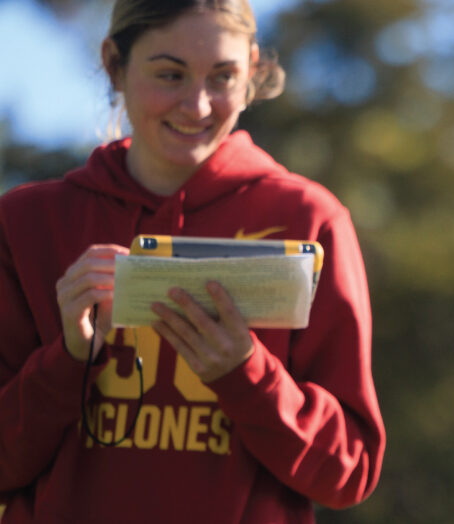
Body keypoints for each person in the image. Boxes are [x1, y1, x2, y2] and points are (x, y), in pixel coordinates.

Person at [0, 1, 385, 522]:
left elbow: (350, 471)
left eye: (223, 76)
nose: (198, 105)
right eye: (170, 74)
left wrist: (246, 374)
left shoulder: (308, 219)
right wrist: (69, 358)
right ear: (115, 63)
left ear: (252, 68)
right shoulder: (26, 224)